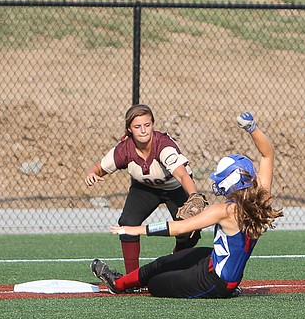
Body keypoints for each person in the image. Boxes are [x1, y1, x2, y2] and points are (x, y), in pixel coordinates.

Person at [91, 112, 283, 298]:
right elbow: (268, 155)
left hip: (214, 282)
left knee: (157, 282)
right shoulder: (261, 197)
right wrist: (252, 128)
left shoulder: (225, 211)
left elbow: (180, 227)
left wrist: (136, 230)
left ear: (230, 182)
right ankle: (117, 284)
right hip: (215, 262)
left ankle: (120, 284)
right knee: (165, 262)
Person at [85, 104, 203, 275]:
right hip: (145, 189)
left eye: (147, 125)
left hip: (176, 188)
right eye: (137, 126)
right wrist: (91, 173)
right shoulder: (124, 149)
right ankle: (132, 278)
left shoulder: (163, 146)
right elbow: (97, 168)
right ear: (129, 129)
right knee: (127, 224)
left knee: (189, 231)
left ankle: (175, 260)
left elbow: (183, 176)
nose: (143, 130)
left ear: (153, 124)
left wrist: (193, 196)